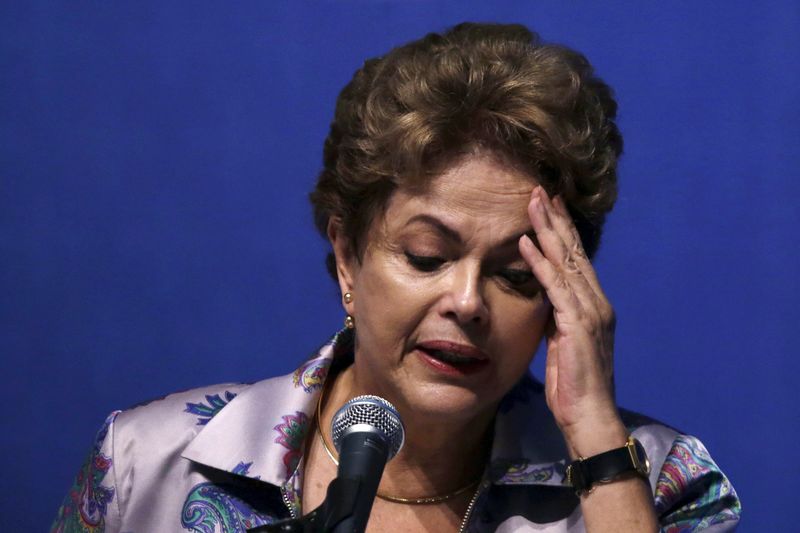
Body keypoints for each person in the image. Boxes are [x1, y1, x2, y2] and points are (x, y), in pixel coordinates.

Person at [52, 22, 740, 532]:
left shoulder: (661, 481)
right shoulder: (149, 464)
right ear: (348, 255)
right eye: (427, 256)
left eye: (514, 275)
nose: (467, 302)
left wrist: (594, 430)